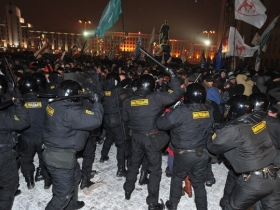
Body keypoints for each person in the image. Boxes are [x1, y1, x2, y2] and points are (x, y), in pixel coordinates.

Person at [122, 71, 182, 210]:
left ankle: (128, 190)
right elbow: (177, 93)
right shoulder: (156, 98)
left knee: (133, 164)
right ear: (151, 86)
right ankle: (152, 202)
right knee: (155, 170)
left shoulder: (127, 101)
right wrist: (173, 77)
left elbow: (125, 119)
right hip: (151, 138)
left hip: (136, 136)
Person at [207, 95, 280, 209]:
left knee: (231, 207)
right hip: (275, 176)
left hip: (255, 181)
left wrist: (213, 132)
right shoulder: (258, 121)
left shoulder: (235, 129)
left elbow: (213, 147)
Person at [43, 80, 104, 210]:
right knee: (62, 195)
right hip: (60, 158)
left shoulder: (54, 105)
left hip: (61, 152)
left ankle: (72, 204)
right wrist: (97, 103)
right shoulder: (69, 111)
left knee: (75, 177)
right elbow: (95, 120)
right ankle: (65, 202)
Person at [157, 83, 214, 210]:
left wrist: (172, 110)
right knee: (199, 183)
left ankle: (173, 204)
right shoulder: (209, 110)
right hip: (203, 152)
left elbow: (161, 124)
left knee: (177, 178)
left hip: (184, 153)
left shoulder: (181, 111)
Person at [0, 75, 30, 210]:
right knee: (9, 183)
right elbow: (23, 122)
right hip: (3, 153)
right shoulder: (4, 118)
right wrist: (20, 106)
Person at [18, 76, 51, 190]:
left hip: (26, 137)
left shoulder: (19, 104)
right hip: (42, 136)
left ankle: (29, 180)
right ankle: (47, 181)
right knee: (45, 159)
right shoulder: (44, 101)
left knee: (26, 159)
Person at [100, 72, 131, 177]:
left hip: (105, 119)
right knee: (121, 144)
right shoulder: (119, 90)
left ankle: (103, 155)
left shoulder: (104, 89)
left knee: (109, 136)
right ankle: (121, 169)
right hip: (117, 120)